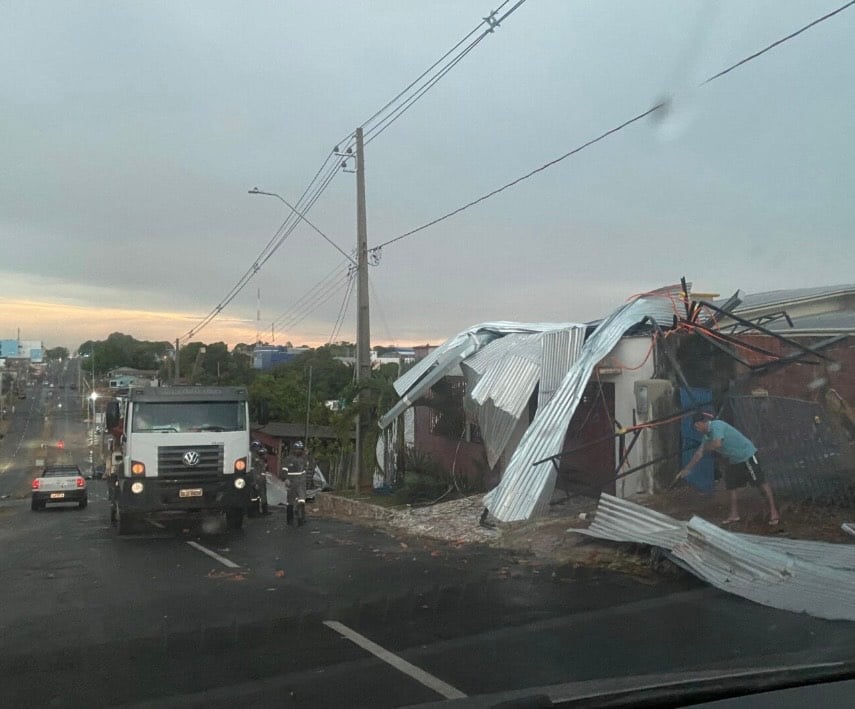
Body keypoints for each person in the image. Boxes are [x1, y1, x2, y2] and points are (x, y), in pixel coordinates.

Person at [678, 412, 780, 526]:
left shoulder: (717, 425)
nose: (696, 429)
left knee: (761, 483)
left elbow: (717, 444)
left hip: (747, 455)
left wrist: (706, 447)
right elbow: (699, 454)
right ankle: (734, 514)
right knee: (732, 486)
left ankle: (774, 512)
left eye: (697, 426)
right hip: (734, 460)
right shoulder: (707, 437)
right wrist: (687, 469)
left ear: (703, 422)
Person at [281, 440, 311, 525]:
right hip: (291, 482)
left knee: (301, 500)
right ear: (294, 449)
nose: (298, 451)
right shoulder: (288, 459)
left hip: (301, 482)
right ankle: (289, 519)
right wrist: (285, 479)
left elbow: (309, 465)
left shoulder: (304, 458)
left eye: (300, 449)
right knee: (290, 501)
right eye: (297, 449)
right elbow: (284, 470)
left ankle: (301, 518)